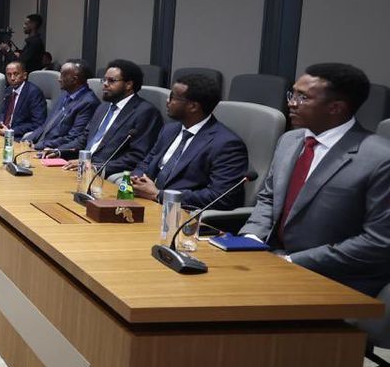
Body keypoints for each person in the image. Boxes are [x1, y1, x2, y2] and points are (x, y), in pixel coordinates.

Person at [239, 63, 390, 296]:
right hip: (272, 262)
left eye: (303, 97)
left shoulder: (380, 158)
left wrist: (291, 262)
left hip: (335, 279)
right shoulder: (290, 140)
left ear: (336, 107)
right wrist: (251, 240)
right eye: (292, 94)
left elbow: (378, 241)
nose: (291, 103)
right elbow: (269, 198)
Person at [131, 73, 249, 209]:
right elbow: (147, 162)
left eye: (173, 97)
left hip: (183, 212)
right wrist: (137, 179)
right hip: (146, 202)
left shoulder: (226, 145)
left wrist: (159, 195)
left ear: (193, 106)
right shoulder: (169, 129)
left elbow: (220, 197)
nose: (167, 101)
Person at [59, 59, 162, 178]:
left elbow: (136, 156)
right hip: (80, 168)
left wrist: (95, 167)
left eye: (111, 81)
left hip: (104, 174)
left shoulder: (145, 112)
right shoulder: (103, 107)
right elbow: (84, 139)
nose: (105, 84)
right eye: (104, 80)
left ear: (129, 84)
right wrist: (59, 151)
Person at [24, 59, 98, 151]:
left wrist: (38, 146)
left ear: (74, 79)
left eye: (63, 75)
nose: (59, 79)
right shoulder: (65, 94)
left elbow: (72, 138)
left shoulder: (88, 103)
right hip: (40, 145)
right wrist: (28, 140)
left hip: (54, 151)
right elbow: (46, 125)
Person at [0, 61, 47, 138]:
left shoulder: (33, 93)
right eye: (9, 75)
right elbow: (3, 113)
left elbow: (38, 123)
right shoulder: (8, 91)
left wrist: (10, 131)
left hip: (18, 137)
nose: (12, 78)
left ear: (24, 75)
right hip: (2, 134)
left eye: (16, 74)